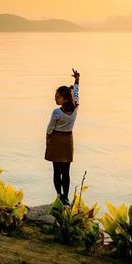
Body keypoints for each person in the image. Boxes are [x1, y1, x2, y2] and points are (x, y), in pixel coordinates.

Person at [45, 68, 80, 205]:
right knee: (66, 172)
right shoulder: (76, 107)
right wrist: (77, 80)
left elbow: (49, 129)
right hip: (67, 141)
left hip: (55, 140)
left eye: (57, 97)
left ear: (65, 98)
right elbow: (76, 93)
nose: (55, 99)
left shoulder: (56, 112)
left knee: (56, 171)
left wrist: (47, 141)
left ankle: (59, 196)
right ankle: (65, 198)